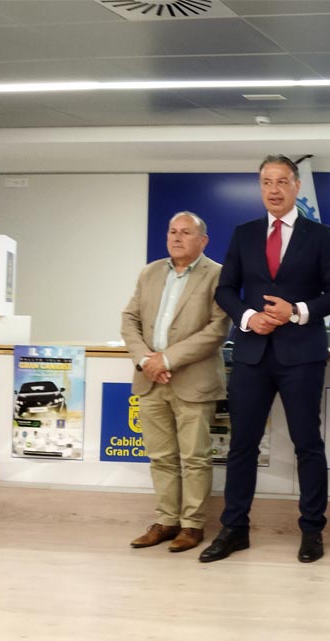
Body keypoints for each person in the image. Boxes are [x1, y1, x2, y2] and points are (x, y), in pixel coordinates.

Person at [199, 155, 330, 564]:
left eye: (281, 181)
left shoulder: (320, 235)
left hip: (302, 355)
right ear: (260, 187)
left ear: (296, 186)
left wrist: (296, 310)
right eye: (266, 182)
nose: (273, 190)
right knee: (242, 445)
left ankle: (311, 530)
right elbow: (225, 289)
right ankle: (234, 529)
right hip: (252, 354)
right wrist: (248, 317)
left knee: (307, 444)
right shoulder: (244, 234)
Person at [121, 211, 230, 553]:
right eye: (172, 232)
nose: (177, 237)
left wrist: (166, 360)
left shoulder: (218, 275)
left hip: (194, 381)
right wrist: (146, 360)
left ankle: (192, 525)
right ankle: (167, 520)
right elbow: (129, 319)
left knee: (195, 458)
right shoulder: (150, 272)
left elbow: (217, 329)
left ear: (203, 240)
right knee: (161, 457)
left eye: (185, 232)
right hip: (150, 380)